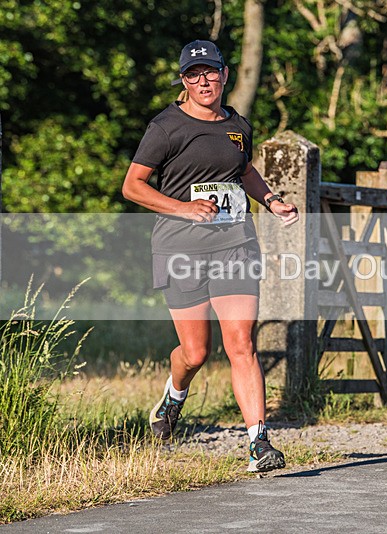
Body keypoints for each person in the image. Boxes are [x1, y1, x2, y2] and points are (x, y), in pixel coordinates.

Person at [122, 39, 299, 473]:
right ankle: (173, 396)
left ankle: (258, 444)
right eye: (193, 75)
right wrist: (183, 208)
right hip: (180, 248)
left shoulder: (238, 125)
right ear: (183, 81)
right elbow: (132, 186)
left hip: (235, 245)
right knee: (196, 353)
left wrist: (271, 200)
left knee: (242, 343)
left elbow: (244, 171)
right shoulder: (166, 127)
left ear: (224, 74)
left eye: (210, 72)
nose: (204, 82)